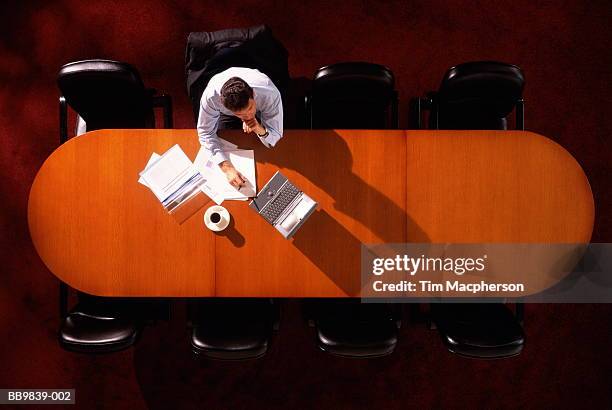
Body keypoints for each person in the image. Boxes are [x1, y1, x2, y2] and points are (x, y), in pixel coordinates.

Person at [197, 67, 283, 188]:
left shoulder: (269, 94)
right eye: (240, 114)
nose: (248, 116)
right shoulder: (211, 98)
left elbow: (275, 136)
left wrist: (259, 128)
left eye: (249, 108)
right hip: (226, 114)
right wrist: (227, 168)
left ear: (253, 94)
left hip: (261, 103)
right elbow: (205, 133)